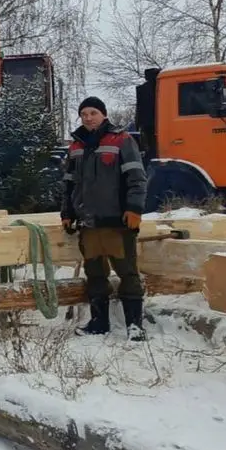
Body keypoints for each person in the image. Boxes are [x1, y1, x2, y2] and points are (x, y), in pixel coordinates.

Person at [61, 97, 147, 341]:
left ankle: (134, 326)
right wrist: (67, 213)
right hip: (88, 225)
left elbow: (137, 178)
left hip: (118, 223)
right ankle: (100, 322)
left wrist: (134, 209)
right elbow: (68, 184)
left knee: (127, 273)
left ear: (104, 115)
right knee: (95, 274)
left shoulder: (121, 140)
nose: (88, 117)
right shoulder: (75, 147)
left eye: (93, 113)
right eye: (84, 113)